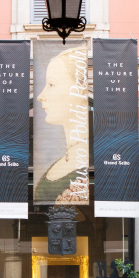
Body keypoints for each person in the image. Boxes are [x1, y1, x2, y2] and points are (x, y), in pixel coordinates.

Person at [35, 45, 90, 204]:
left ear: (80, 90)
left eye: (51, 84)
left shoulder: (88, 160)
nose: (41, 96)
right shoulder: (62, 161)